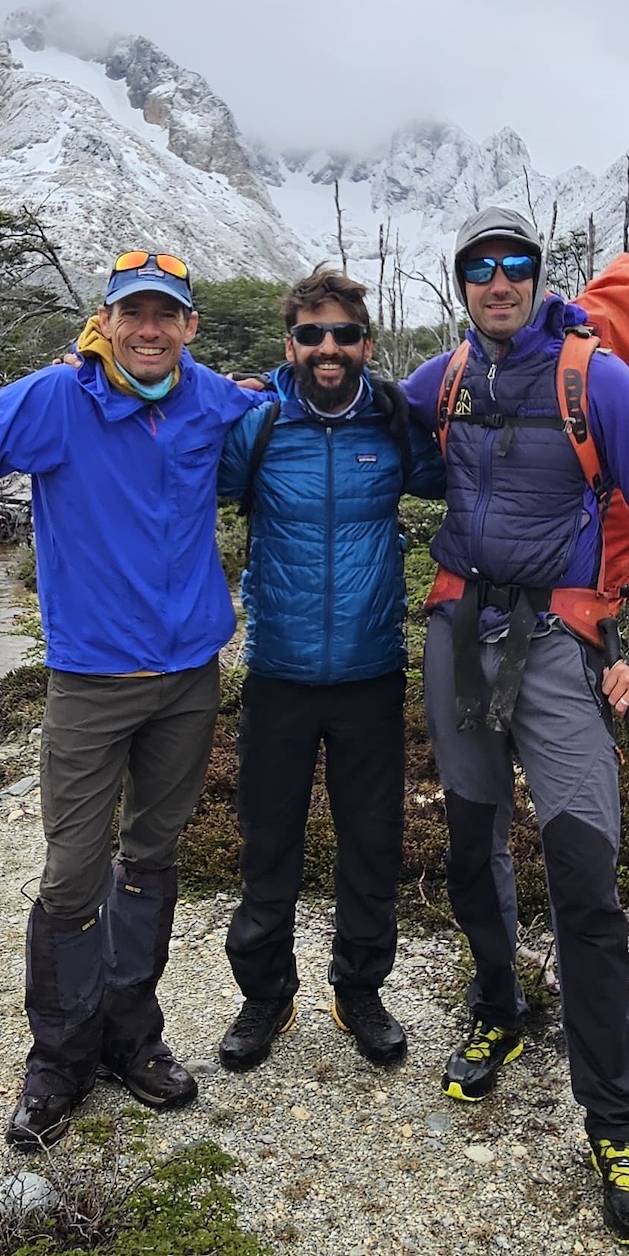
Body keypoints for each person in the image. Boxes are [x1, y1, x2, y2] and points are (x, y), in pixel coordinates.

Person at [0, 250, 265, 1152]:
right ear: (107, 319)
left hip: (189, 676)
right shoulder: (59, 400)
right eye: (134, 312)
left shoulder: (213, 399)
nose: (151, 329)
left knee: (152, 855)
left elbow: (302, 407)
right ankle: (57, 1056)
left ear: (190, 327)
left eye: (167, 314)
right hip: (91, 681)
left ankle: (131, 1034)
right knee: (71, 872)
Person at [398, 206, 629, 1247]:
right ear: (462, 284)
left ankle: (616, 1122)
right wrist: (257, 395)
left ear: (537, 277)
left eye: (514, 266)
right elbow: (341, 411)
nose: (498, 282)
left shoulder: (594, 380)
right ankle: (500, 1003)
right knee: (473, 839)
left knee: (582, 871)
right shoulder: (443, 380)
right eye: (479, 268)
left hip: (563, 651)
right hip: (460, 633)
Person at [211, 269, 444, 1073]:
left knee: (371, 843)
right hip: (277, 667)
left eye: (343, 333)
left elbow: (463, 479)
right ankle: (266, 995)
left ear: (366, 343)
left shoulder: (394, 420)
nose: (329, 348)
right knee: (267, 842)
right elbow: (186, 479)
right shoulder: (261, 424)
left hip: (371, 669)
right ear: (291, 345)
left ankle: (361, 989)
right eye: (312, 334)